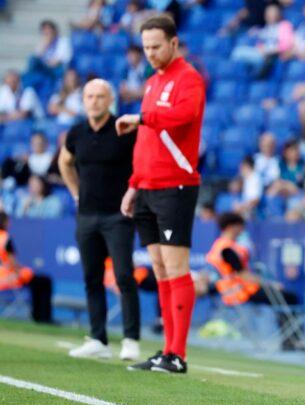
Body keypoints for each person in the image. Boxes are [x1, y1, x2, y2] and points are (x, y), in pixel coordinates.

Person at [116, 16, 206, 374]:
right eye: (145, 47)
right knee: (158, 268)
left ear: (173, 43)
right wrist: (133, 183)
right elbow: (147, 141)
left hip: (176, 184)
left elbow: (185, 115)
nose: (150, 53)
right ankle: (167, 351)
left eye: (156, 46)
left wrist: (142, 116)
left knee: (175, 267)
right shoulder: (153, 82)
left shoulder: (189, 78)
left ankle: (177, 354)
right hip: (148, 187)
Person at [59, 79, 140, 361]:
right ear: (83, 100)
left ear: (110, 100)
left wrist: (134, 192)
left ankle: (130, 339)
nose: (94, 101)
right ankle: (98, 339)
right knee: (91, 278)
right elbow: (64, 162)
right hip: (86, 215)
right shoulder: (76, 132)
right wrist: (75, 193)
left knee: (123, 276)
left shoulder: (125, 129)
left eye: (100, 96)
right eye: (89, 96)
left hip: (118, 215)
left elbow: (142, 163)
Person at [198, 212, 304, 350]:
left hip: (230, 292)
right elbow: (243, 275)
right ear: (231, 227)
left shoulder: (217, 246)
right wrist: (271, 284)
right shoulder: (228, 249)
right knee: (289, 297)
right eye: (240, 226)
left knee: (284, 298)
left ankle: (290, 341)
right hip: (242, 291)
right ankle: (291, 342)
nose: (242, 230)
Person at [0, 211, 53, 323]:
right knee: (44, 281)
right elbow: (12, 263)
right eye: (7, 221)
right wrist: (20, 270)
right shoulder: (5, 238)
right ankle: (41, 317)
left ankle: (39, 316)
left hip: (3, 276)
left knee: (39, 282)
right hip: (8, 276)